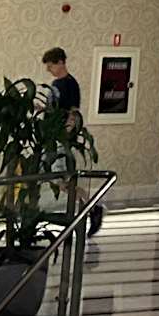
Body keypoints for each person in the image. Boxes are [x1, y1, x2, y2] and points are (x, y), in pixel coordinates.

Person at [41, 47, 102, 237]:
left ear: (60, 62)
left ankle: (92, 207)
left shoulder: (69, 84)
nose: (50, 70)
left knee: (62, 178)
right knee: (60, 179)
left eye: (51, 66)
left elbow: (73, 112)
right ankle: (92, 207)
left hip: (61, 138)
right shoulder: (56, 84)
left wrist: (66, 132)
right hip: (53, 136)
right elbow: (54, 109)